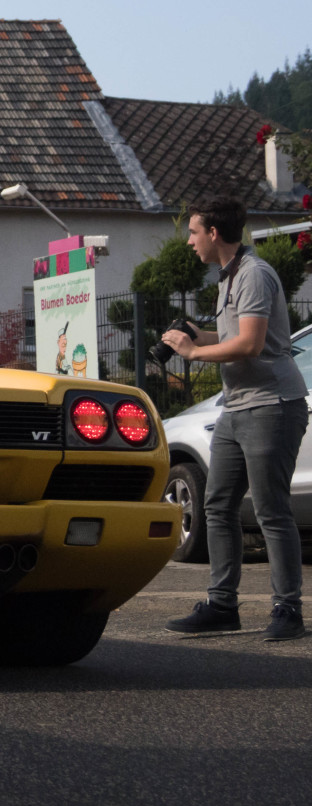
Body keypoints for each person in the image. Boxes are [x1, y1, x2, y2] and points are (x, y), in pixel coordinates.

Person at [162, 195, 308, 641]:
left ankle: (288, 610)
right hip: (236, 407)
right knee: (218, 505)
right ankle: (222, 605)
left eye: (193, 232)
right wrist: (197, 334)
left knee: (271, 510)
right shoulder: (228, 277)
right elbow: (230, 335)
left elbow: (249, 343)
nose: (189, 241)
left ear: (214, 233)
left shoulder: (255, 275)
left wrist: (195, 351)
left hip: (271, 406)